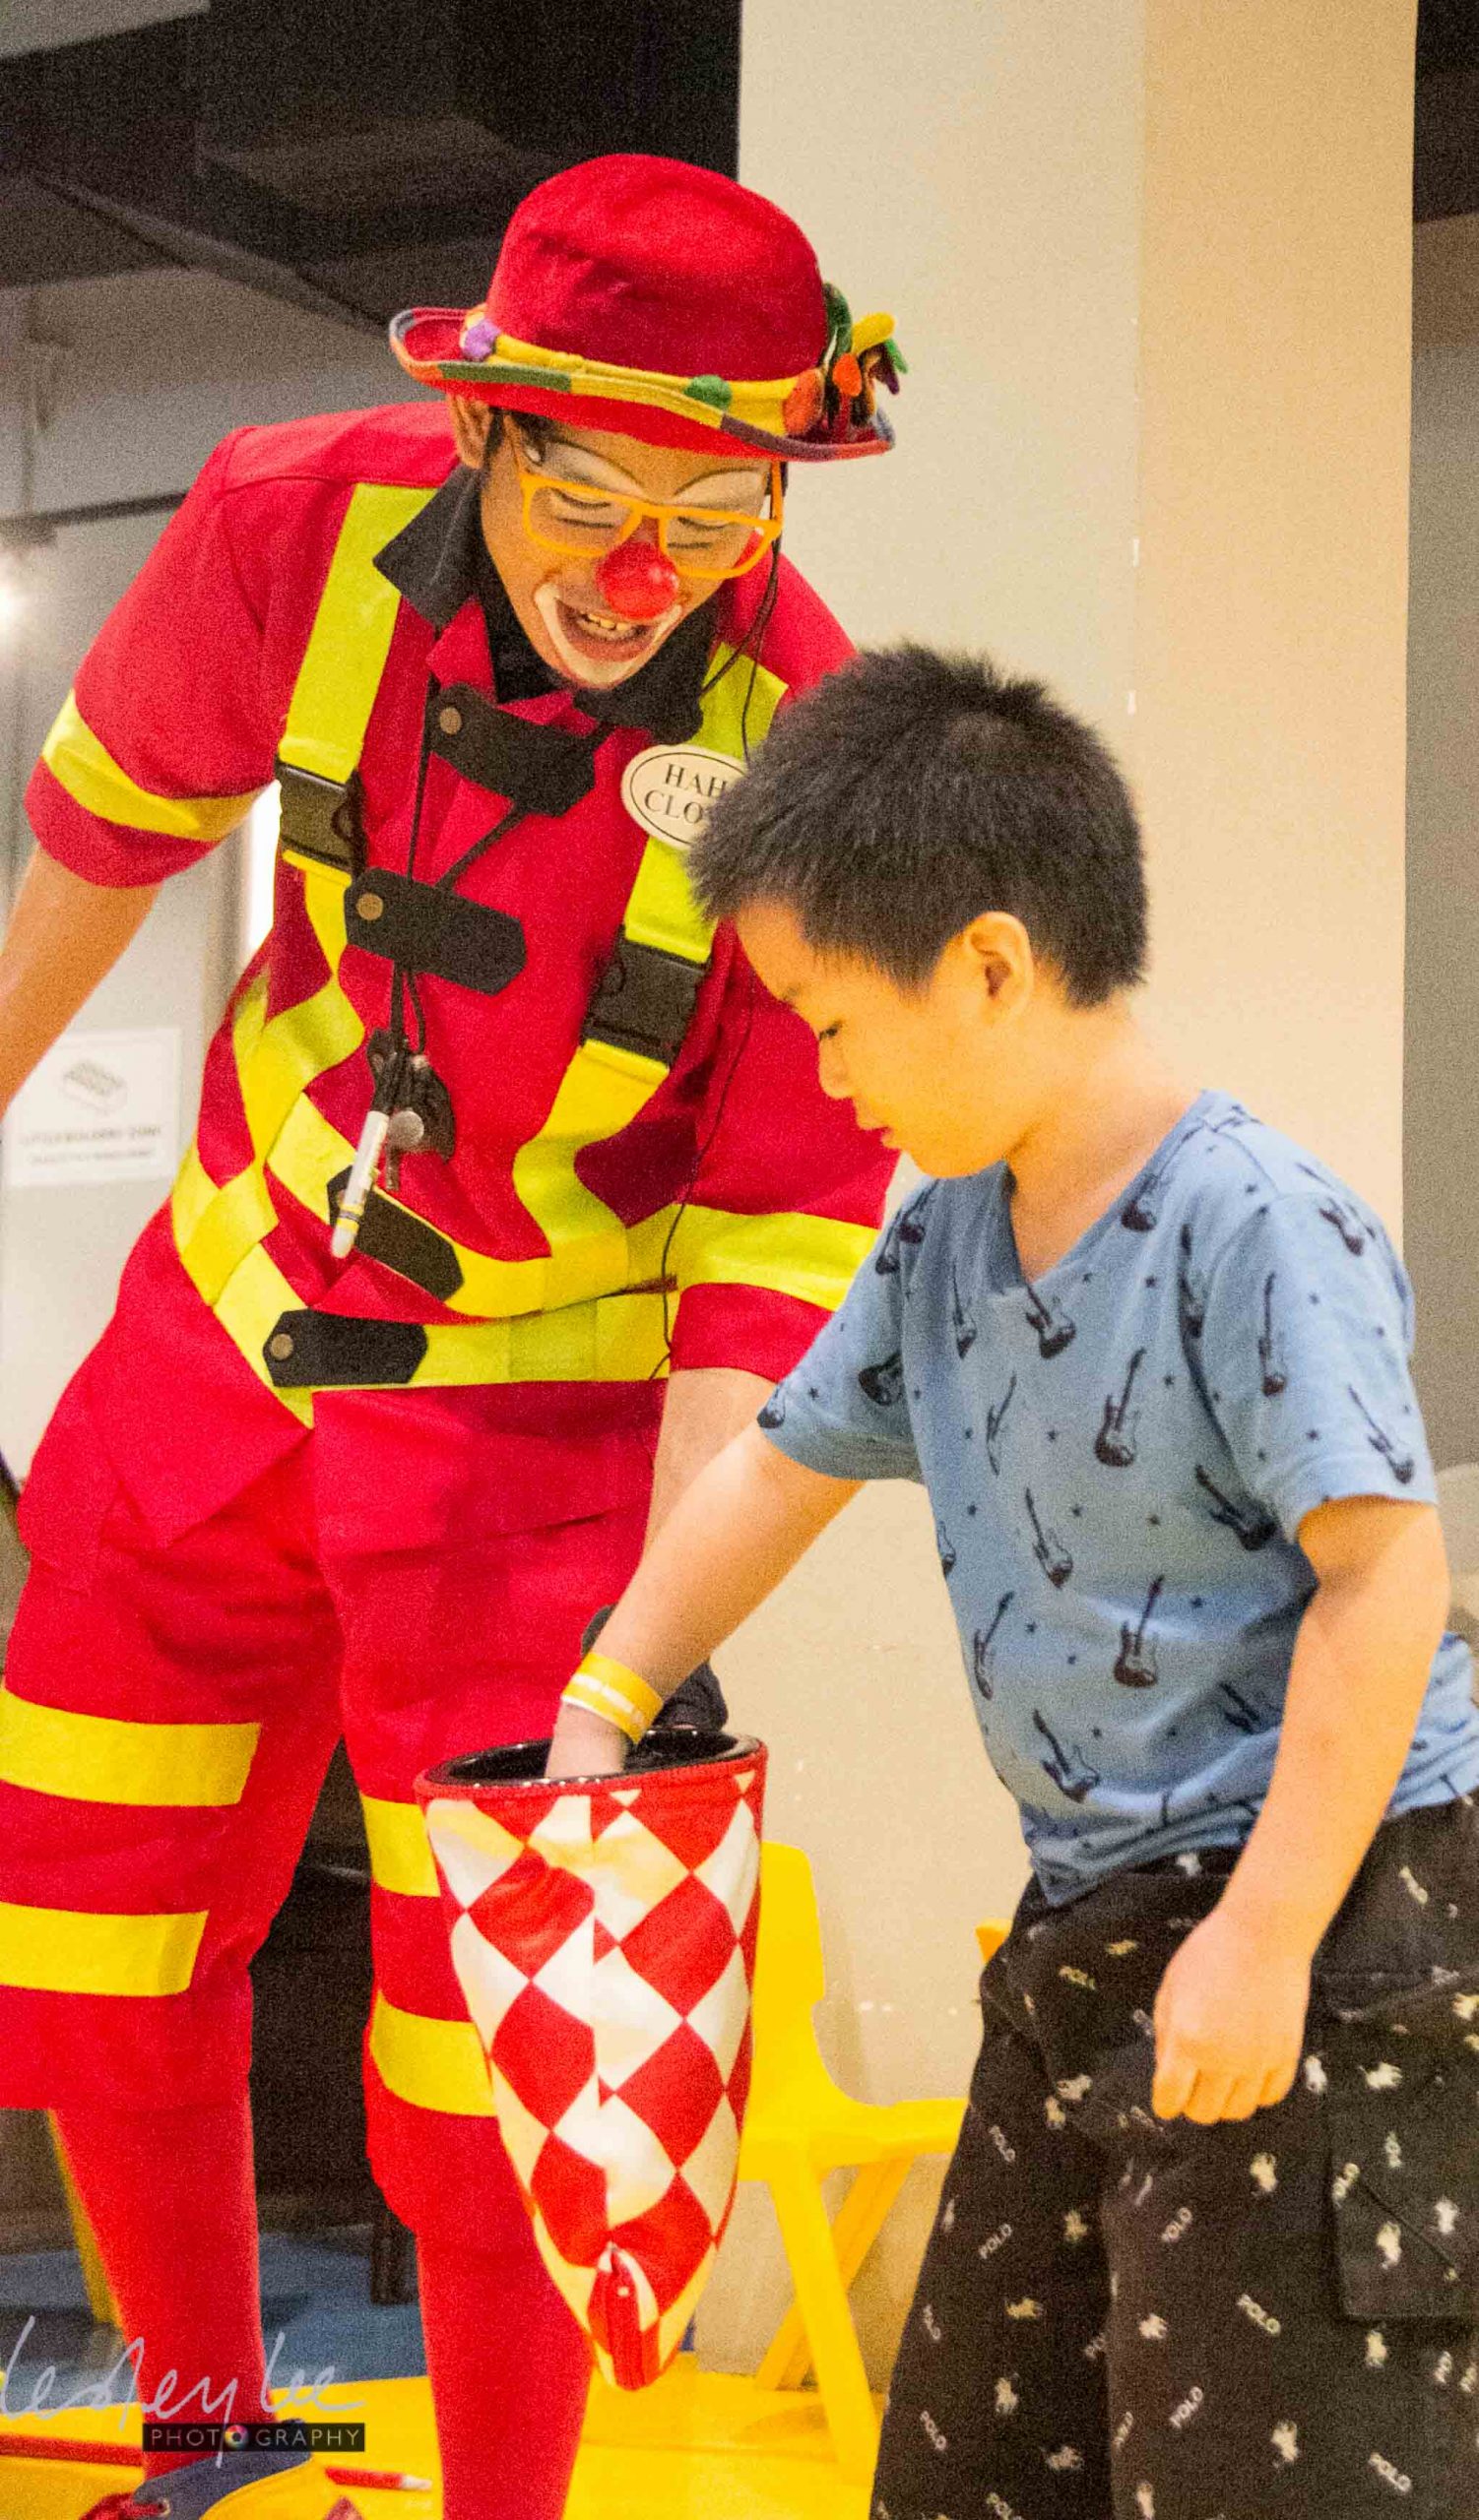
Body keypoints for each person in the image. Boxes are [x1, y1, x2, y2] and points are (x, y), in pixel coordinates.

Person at [0, 157, 904, 2520]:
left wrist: (648, 1643)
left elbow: (780, 1225)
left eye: (711, 513)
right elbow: (98, 850)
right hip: (216, 1363)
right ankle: (202, 2447)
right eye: (588, 495)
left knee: (505, 2063)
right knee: (99, 1941)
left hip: (538, 1472)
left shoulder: (821, 754)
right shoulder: (286, 523)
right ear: (485, 423)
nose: (642, 572)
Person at [545, 646, 1479, 2520]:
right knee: (978, 2461)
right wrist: (604, 1698)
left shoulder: (1251, 1220)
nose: (826, 1079)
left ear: (987, 965)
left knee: (1259, 2471)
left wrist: (1265, 1939)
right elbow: (779, 1465)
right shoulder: (943, 1238)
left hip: (1328, 1909)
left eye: (831, 1024)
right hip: (1087, 1919)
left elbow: (1386, 1587)